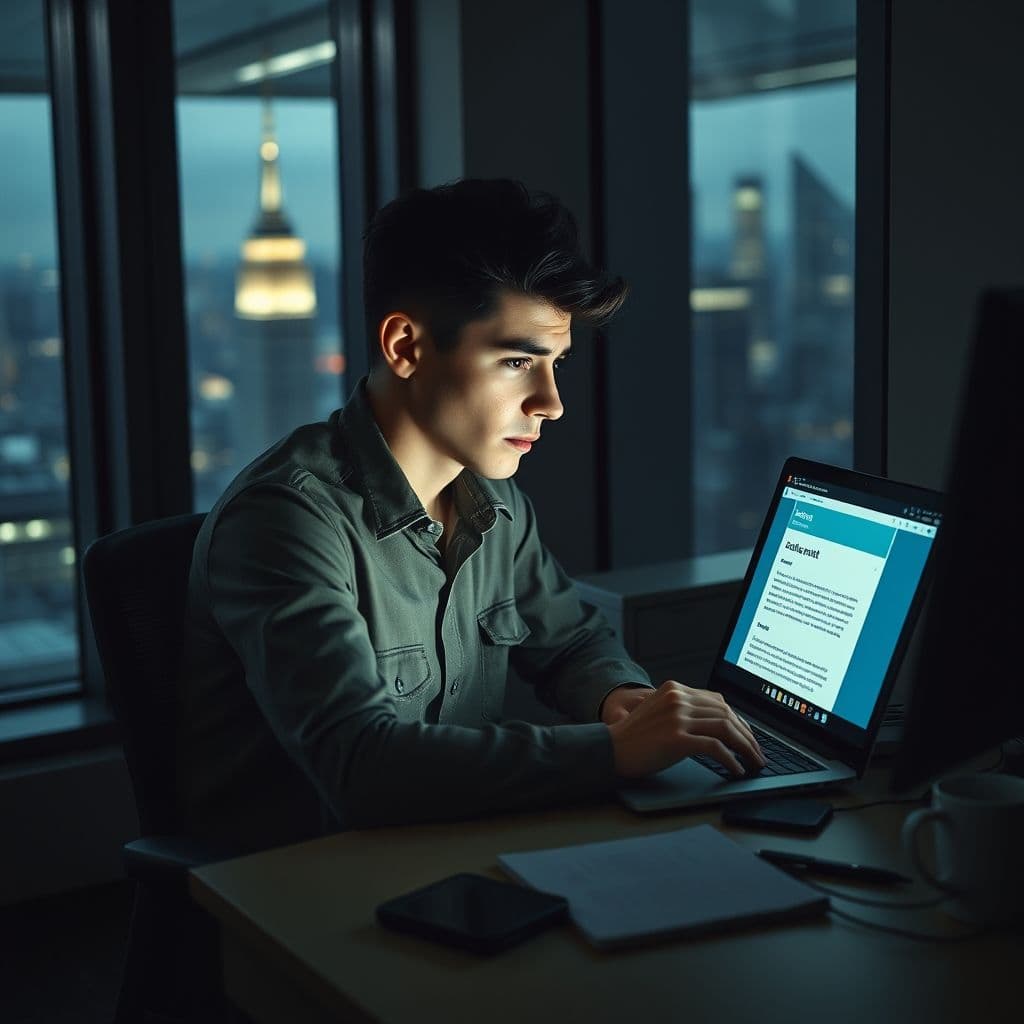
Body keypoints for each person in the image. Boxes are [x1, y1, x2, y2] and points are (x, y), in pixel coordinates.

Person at [176, 178, 763, 851]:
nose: (551, 402)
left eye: (557, 363)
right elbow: (362, 768)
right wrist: (613, 752)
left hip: (449, 854)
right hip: (299, 897)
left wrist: (619, 701)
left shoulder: (495, 502)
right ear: (405, 348)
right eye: (517, 361)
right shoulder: (284, 521)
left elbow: (570, 641)